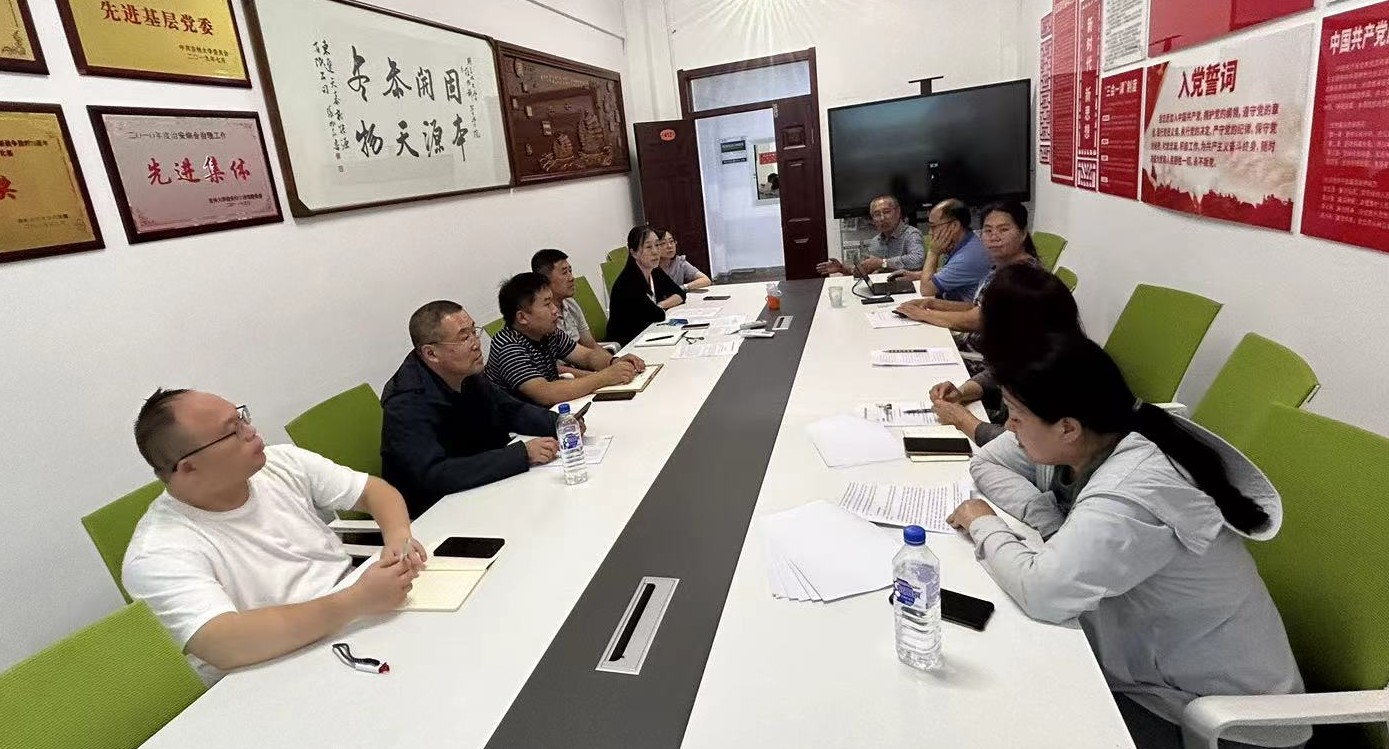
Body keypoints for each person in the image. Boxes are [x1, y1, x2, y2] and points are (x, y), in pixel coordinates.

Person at [946, 334, 1302, 746]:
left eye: (1016, 417)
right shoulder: (1099, 433)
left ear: (1067, 427)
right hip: (1149, 666)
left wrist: (984, 523)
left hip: (1217, 717)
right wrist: (1050, 522)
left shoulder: (1131, 491)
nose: (1007, 426)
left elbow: (1042, 593)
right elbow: (988, 461)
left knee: (1003, 717)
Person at [123, 389, 424, 685]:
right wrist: (355, 600)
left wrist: (399, 538)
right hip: (271, 673)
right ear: (189, 467)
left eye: (241, 416)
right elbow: (224, 643)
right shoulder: (157, 552)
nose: (251, 430)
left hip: (357, 625)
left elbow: (373, 491)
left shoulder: (280, 463)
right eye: (233, 430)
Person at [380, 300, 563, 517]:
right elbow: (435, 475)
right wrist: (521, 455)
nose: (476, 344)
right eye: (464, 338)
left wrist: (559, 423)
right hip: (435, 512)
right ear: (431, 354)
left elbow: (510, 410)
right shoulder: (406, 403)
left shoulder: (467, 374)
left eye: (474, 332)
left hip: (482, 488)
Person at [929, 262, 1084, 446]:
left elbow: (1022, 446)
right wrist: (962, 392)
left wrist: (962, 420)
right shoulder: (1037, 345)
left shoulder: (1057, 371)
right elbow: (997, 374)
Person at [894, 200, 1041, 351]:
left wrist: (923, 314)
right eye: (988, 230)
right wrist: (933, 304)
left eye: (1003, 230)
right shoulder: (1000, 266)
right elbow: (978, 307)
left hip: (985, 358)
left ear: (1023, 233)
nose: (994, 237)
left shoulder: (1023, 275)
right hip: (972, 346)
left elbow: (976, 320)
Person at [486, 272, 646, 406]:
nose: (555, 310)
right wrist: (604, 377)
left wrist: (614, 362)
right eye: (547, 304)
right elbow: (546, 393)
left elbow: (586, 356)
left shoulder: (548, 333)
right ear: (522, 317)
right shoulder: (508, 346)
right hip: (519, 427)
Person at [889, 199, 992, 302]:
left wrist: (933, 252)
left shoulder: (968, 256)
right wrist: (916, 275)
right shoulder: (966, 242)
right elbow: (948, 269)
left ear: (954, 226)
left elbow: (926, 290)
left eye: (933, 227)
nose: (930, 232)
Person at [607, 224, 687, 346]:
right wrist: (660, 308)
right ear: (633, 252)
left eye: (657, 245)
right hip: (629, 343)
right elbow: (657, 315)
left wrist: (661, 305)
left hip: (649, 334)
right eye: (648, 247)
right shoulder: (628, 282)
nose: (655, 252)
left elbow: (680, 294)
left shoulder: (654, 271)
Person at [815, 195, 925, 276]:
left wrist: (882, 263)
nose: (882, 218)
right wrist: (842, 268)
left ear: (898, 212)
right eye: (877, 214)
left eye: (886, 212)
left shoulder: (911, 234)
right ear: (873, 219)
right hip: (886, 288)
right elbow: (864, 269)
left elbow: (917, 260)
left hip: (910, 288)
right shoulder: (875, 242)